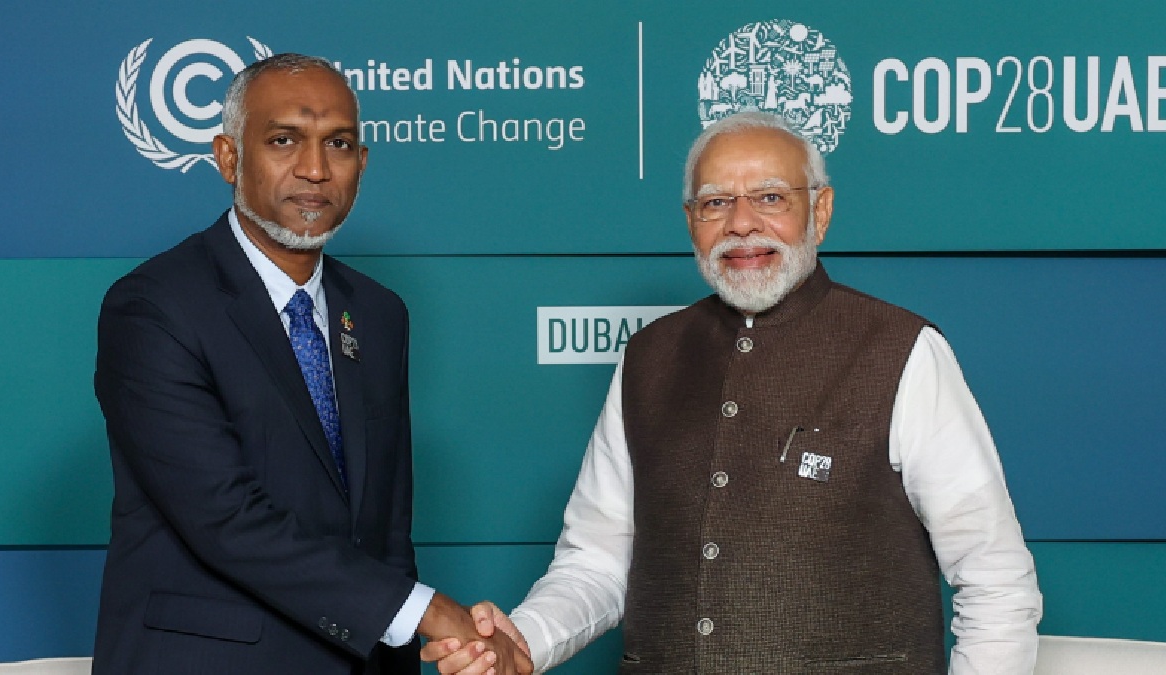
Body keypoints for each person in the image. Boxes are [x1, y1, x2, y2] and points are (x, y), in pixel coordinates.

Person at [424, 111, 1042, 674]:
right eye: (716, 202)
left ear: (821, 211)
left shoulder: (900, 350)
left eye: (770, 197)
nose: (741, 224)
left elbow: (994, 579)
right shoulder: (648, 358)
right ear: (690, 222)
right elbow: (597, 561)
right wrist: (525, 641)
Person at [93, 53, 531, 675]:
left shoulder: (378, 313)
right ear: (227, 157)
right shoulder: (154, 307)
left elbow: (385, 531)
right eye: (283, 140)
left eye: (339, 144)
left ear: (362, 163)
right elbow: (225, 517)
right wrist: (433, 613)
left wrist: (424, 645)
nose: (316, 168)